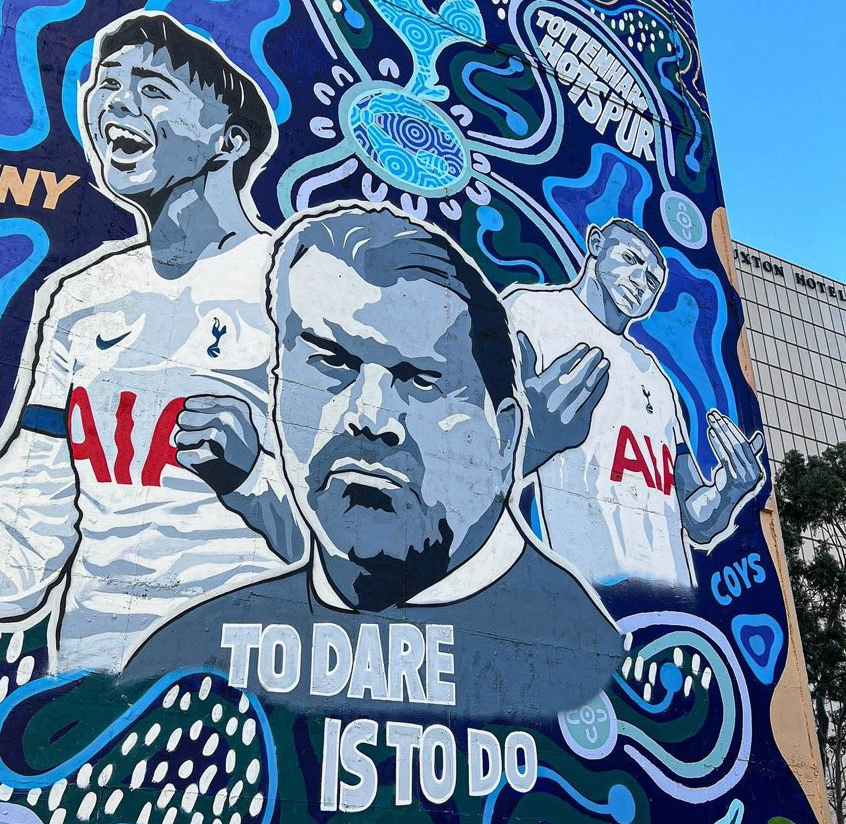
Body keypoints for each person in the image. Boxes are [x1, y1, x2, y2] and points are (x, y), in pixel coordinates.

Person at [0, 11, 304, 672]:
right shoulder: (83, 299)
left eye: (152, 88)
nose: (115, 102)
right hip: (96, 690)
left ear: (228, 141)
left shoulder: (301, 285)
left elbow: (380, 554)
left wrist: (252, 481)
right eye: (106, 84)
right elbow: (18, 550)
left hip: (252, 683)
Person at [128, 204, 621, 722]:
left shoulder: (594, 674)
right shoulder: (186, 669)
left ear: (506, 441)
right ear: (275, 390)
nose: (368, 416)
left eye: (421, 380)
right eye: (331, 362)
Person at [504, 217, 765, 589]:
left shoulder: (654, 375)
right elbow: (476, 449)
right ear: (596, 243)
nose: (641, 282)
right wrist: (532, 436)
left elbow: (695, 518)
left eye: (653, 282)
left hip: (676, 600)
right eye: (630, 259)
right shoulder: (530, 313)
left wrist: (729, 490)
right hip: (591, 597)